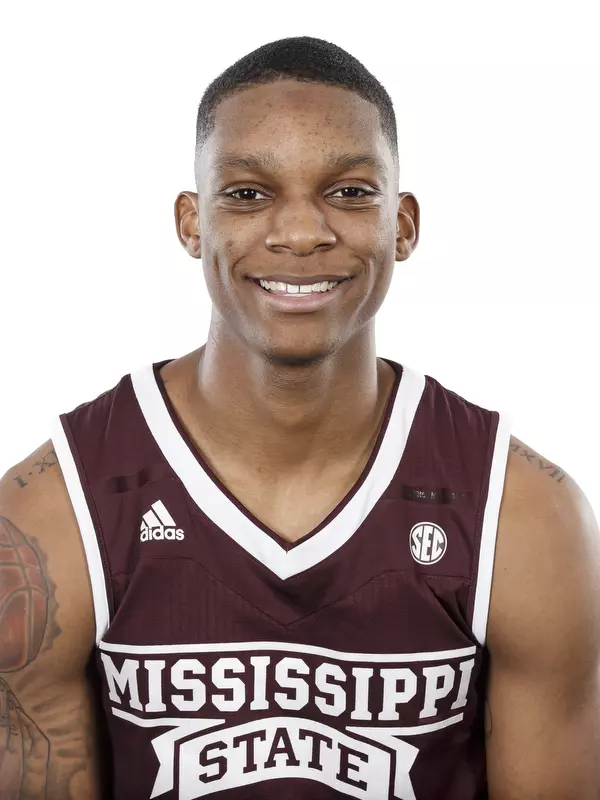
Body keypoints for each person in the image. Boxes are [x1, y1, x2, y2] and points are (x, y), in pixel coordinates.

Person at [1, 35, 599, 800]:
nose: (300, 233)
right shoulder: (53, 511)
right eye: (247, 193)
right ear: (191, 223)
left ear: (403, 224)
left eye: (349, 192)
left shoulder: (525, 515)